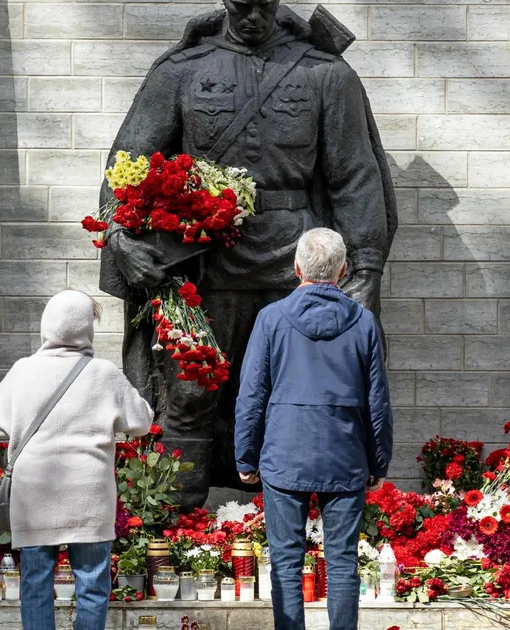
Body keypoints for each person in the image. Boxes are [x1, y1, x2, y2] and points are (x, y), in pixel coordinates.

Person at [98, 0, 398, 510]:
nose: (253, 16)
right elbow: (126, 164)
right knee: (190, 395)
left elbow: (355, 176)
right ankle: (173, 532)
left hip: (296, 266)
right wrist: (119, 238)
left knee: (304, 397)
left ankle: (299, 531)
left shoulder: (325, 73)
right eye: (242, 5)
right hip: (205, 266)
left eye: (263, 4)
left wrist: (365, 268)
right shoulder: (182, 71)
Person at [235, 228, 394, 630]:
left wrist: (245, 456)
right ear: (342, 270)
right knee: (342, 562)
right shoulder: (364, 322)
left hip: (285, 453)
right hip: (345, 453)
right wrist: (379, 461)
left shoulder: (271, 319)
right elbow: (378, 400)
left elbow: (252, 393)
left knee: (286, 563)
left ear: (296, 268)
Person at [0, 290, 153, 630]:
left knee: (35, 583)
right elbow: (141, 421)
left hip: (34, 492)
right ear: (86, 328)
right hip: (88, 493)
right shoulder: (103, 373)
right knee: (91, 584)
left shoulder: (23, 370)